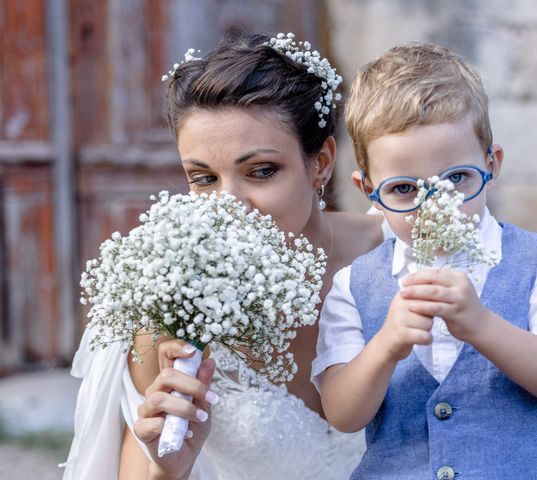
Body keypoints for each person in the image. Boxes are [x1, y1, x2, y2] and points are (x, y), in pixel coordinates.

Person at [62, 32, 386, 480]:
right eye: (203, 178)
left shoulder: (396, 256)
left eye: (261, 171)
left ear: (322, 162)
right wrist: (168, 468)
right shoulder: (169, 313)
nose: (229, 205)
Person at [311, 42, 537, 479]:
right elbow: (342, 413)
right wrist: (387, 345)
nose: (434, 207)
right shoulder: (355, 284)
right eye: (404, 189)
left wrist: (482, 326)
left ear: (492, 164)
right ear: (367, 186)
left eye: (456, 179)